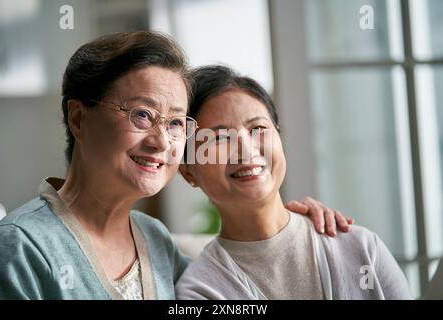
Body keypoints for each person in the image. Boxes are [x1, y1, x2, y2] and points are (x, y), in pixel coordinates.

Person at [0, 31, 350, 300]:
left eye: (176, 122)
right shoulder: (20, 247)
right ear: (78, 118)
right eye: (143, 115)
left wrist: (290, 231)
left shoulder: (154, 239)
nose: (161, 141)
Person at [175, 65, 413, 300]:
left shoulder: (360, 248)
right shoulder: (201, 291)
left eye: (258, 128)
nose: (246, 150)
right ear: (188, 172)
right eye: (220, 138)